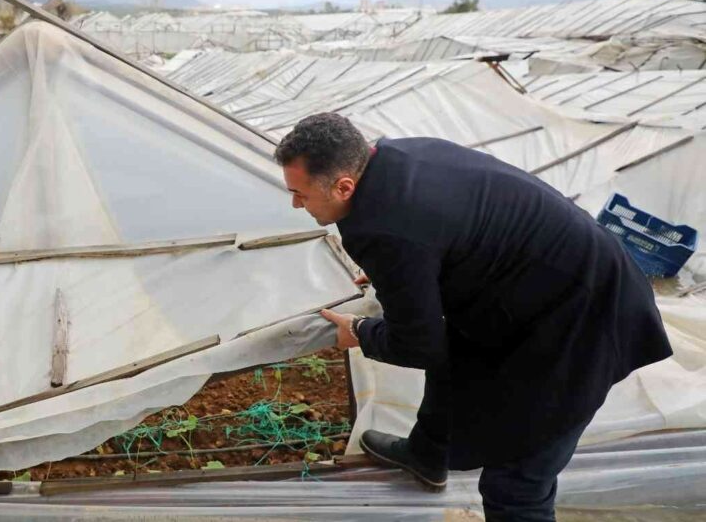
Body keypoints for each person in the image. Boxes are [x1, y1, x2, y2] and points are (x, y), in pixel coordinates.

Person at [274, 113, 672, 521]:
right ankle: (427, 455)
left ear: (344, 186)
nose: (295, 203)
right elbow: (441, 232)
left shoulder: (386, 231)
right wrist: (406, 270)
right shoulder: (396, 155)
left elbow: (418, 344)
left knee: (517, 478)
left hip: (586, 320)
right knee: (459, 354)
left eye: (300, 194)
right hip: (545, 283)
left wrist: (360, 331)